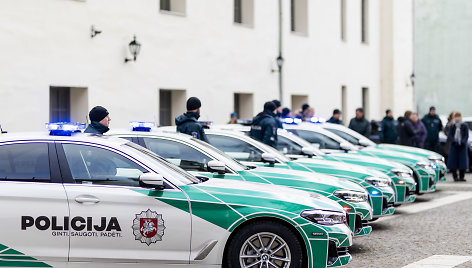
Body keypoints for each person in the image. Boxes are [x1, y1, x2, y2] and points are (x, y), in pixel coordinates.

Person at [447, 112, 469, 181]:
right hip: (454, 145)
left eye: (459, 117)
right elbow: (449, 135)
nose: (457, 118)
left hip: (462, 146)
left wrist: (463, 142)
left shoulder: (464, 125)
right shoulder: (452, 125)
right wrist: (453, 141)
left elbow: (466, 135)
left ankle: (462, 176)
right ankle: (455, 176)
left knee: (462, 162)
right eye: (456, 117)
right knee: (453, 161)